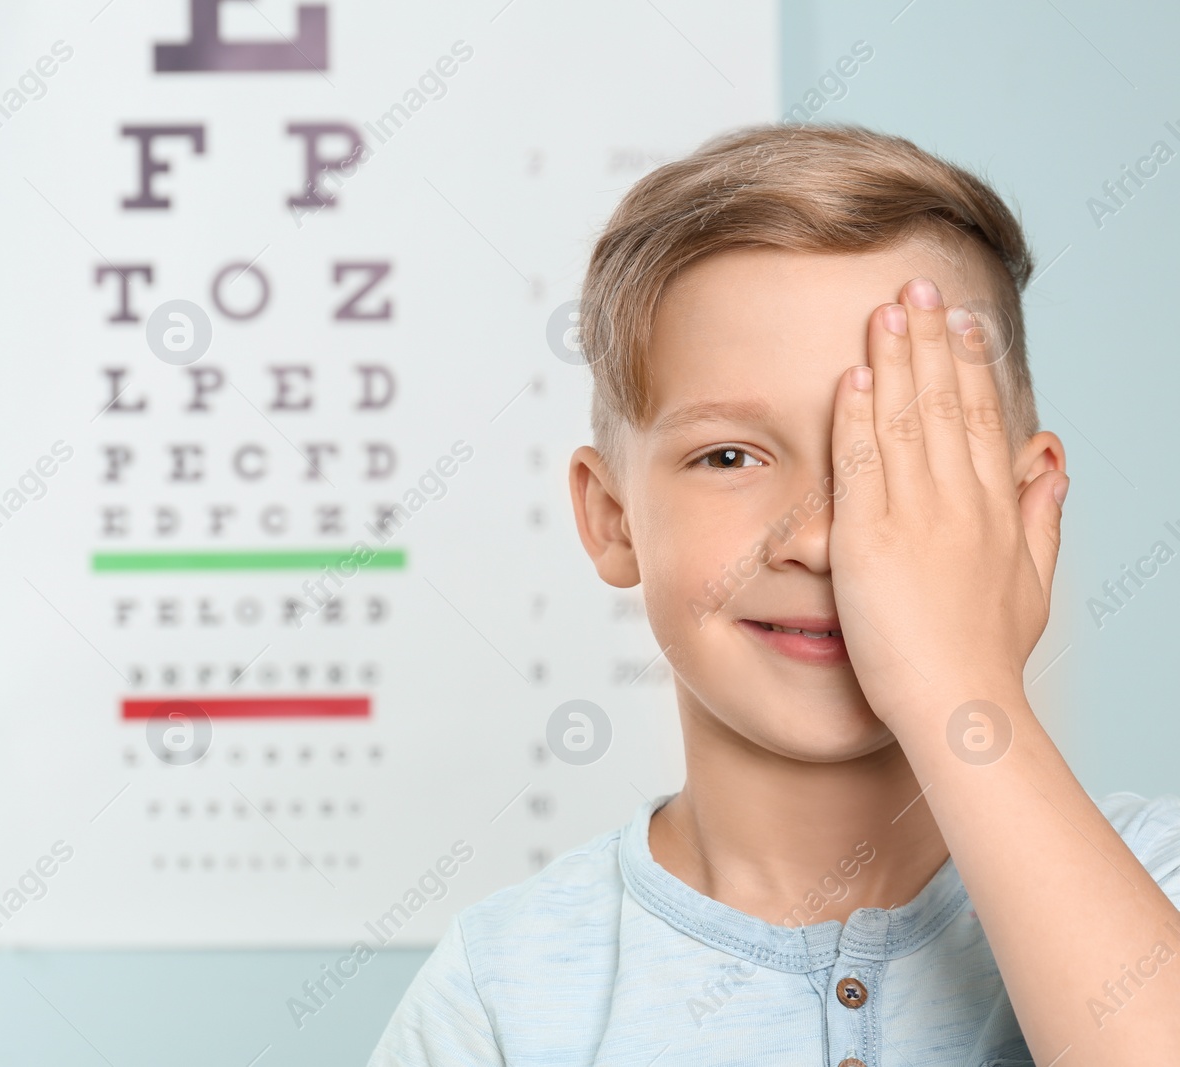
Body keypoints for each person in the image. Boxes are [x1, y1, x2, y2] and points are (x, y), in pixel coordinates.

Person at [366, 122, 1180, 1065]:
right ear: (613, 516)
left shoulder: (1151, 884)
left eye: (900, 451)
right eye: (729, 456)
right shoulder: (501, 996)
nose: (825, 537)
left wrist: (964, 686)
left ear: (1024, 501)